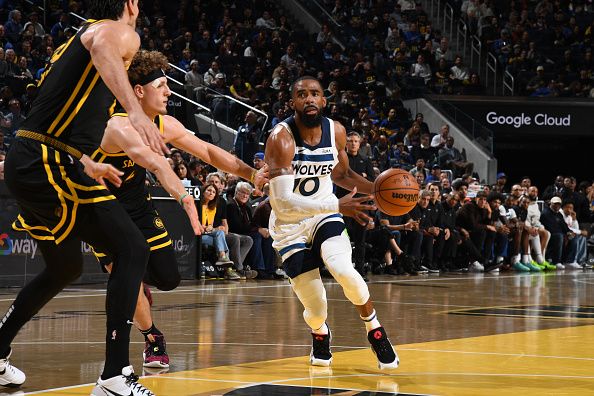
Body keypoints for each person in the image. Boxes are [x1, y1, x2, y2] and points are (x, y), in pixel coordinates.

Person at [1, 1, 168, 394]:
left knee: (64, 268)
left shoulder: (73, 48)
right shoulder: (115, 31)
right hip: (46, 160)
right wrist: (136, 112)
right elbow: (103, 44)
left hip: (38, 156)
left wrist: (85, 160)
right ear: (131, 5)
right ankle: (114, 374)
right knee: (132, 249)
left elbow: (61, 113)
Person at [92, 49, 267, 367]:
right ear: (139, 91)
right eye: (161, 85)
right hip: (102, 210)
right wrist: (186, 199)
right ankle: (152, 337)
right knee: (126, 275)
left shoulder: (165, 123)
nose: (169, 92)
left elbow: (210, 153)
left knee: (169, 278)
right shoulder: (118, 126)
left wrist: (253, 173)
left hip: (138, 205)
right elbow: (156, 164)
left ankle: (137, 280)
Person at [265, 76, 399, 370]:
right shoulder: (282, 138)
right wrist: (338, 204)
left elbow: (342, 176)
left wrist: (378, 189)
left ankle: (375, 330)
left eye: (315, 94)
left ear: (324, 100)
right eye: (302, 95)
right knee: (316, 307)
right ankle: (320, 332)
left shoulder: (335, 131)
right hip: (289, 226)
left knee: (343, 269)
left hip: (324, 215)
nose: (309, 99)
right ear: (293, 103)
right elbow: (284, 202)